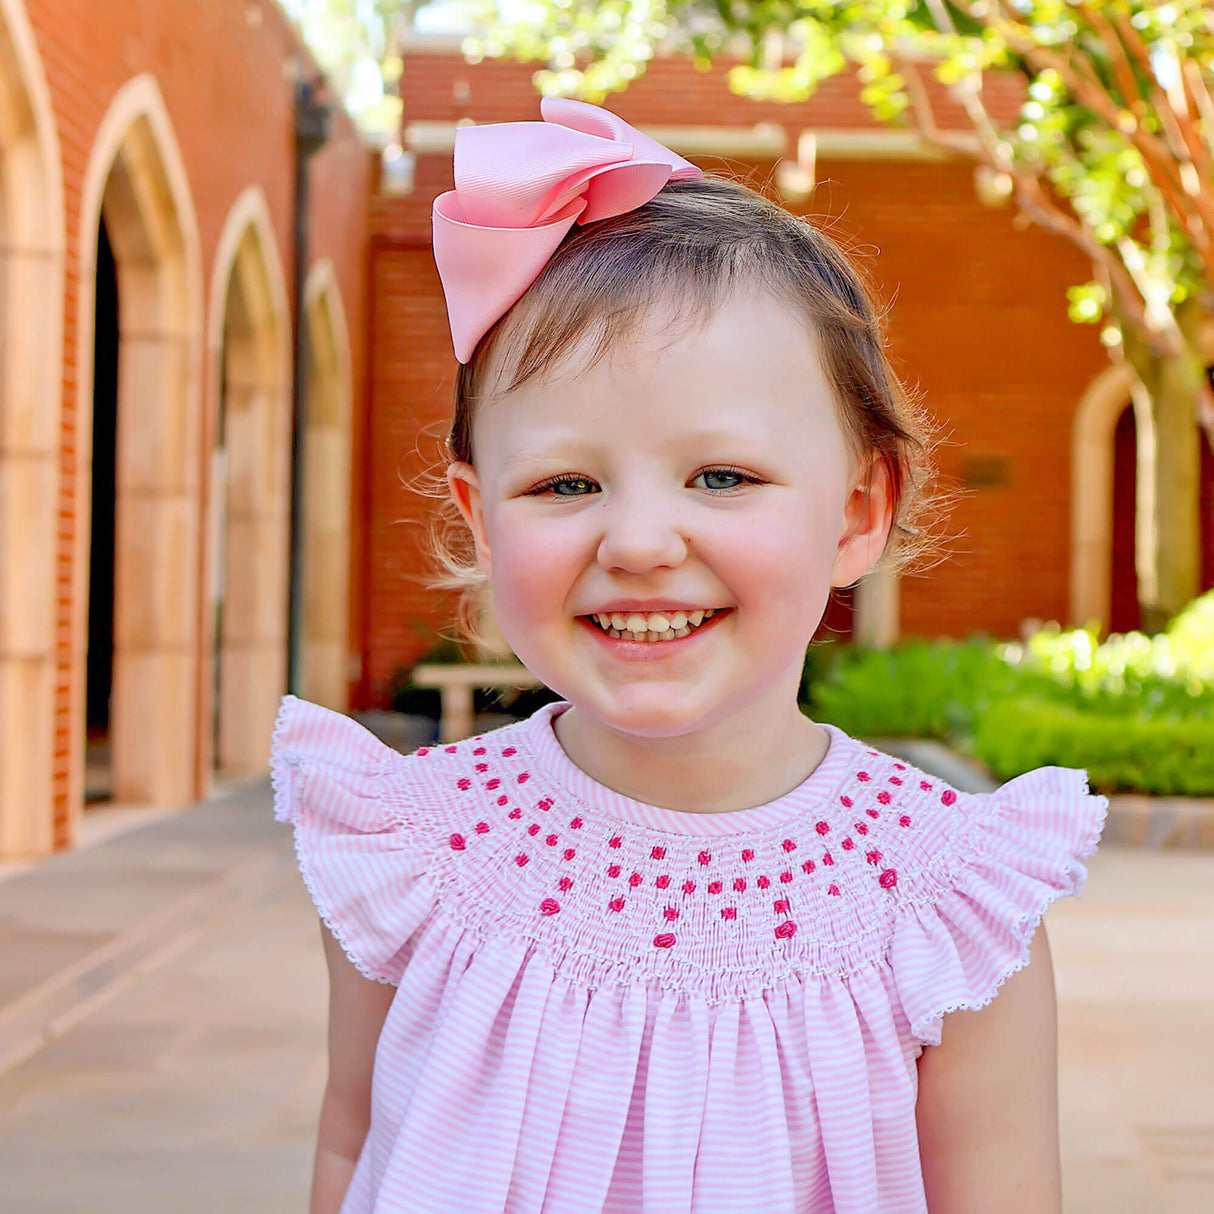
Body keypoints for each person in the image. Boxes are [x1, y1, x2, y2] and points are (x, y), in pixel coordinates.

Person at [270, 98, 1108, 1214]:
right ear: (479, 522)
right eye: (564, 483)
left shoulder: (943, 901)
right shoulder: (413, 851)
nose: (639, 542)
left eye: (721, 476)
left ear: (857, 510)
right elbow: (355, 1144)